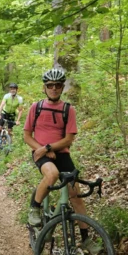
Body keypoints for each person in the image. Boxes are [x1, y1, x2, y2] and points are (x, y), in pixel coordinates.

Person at [23, 68, 84, 225]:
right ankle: (34, 209)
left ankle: (86, 238)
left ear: (62, 87)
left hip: (61, 154)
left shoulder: (68, 110)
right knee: (52, 174)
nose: (54, 88)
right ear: (45, 88)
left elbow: (69, 139)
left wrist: (48, 148)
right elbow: (27, 136)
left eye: (57, 85)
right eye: (50, 85)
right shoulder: (35, 107)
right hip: (40, 153)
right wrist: (42, 150)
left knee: (75, 195)